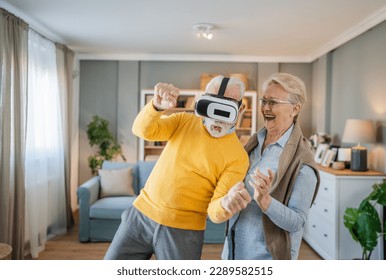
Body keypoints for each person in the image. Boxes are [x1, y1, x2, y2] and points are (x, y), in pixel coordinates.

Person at [104, 75, 250, 260]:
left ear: (241, 109)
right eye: (211, 102)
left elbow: (215, 212)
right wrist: (156, 106)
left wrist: (226, 204)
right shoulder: (183, 121)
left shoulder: (237, 157)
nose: (216, 113)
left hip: (184, 232)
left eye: (226, 105)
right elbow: (142, 130)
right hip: (140, 217)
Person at [221, 72, 320, 260]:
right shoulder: (253, 143)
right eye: (263, 101)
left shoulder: (302, 163)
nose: (265, 107)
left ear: (295, 109)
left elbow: (297, 221)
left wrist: (265, 201)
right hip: (233, 250)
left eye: (273, 102)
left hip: (264, 258)